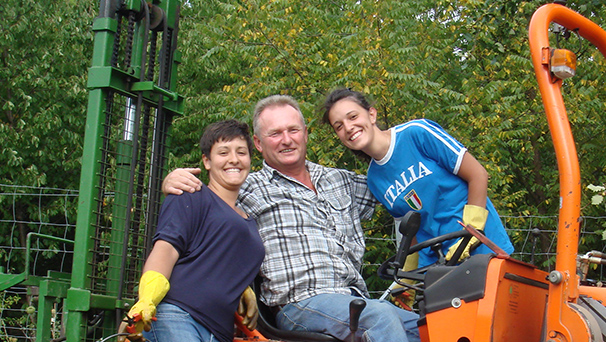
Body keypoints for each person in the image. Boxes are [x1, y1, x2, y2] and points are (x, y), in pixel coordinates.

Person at [162, 95, 420, 342]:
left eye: (293, 130)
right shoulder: (247, 187)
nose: (286, 140)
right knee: (380, 316)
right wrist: (173, 182)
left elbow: (403, 185)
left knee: (429, 325)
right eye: (275, 134)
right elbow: (202, 208)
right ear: (259, 143)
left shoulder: (342, 181)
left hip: (355, 299)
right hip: (299, 303)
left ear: (305, 133)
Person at [322, 88, 514, 268]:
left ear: (372, 114)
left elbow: (478, 175)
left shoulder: (417, 133)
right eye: (339, 126)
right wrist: (407, 278)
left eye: (353, 116)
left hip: (483, 249)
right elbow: (411, 229)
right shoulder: (374, 179)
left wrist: (473, 231)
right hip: (440, 266)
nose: (348, 127)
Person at [120, 120, 265, 342]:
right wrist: (146, 299)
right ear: (207, 161)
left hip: (219, 331)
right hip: (177, 315)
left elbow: (213, 254)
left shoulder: (249, 220)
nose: (234, 159)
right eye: (223, 152)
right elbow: (166, 250)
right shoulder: (191, 195)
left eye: (241, 152)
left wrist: (241, 287)